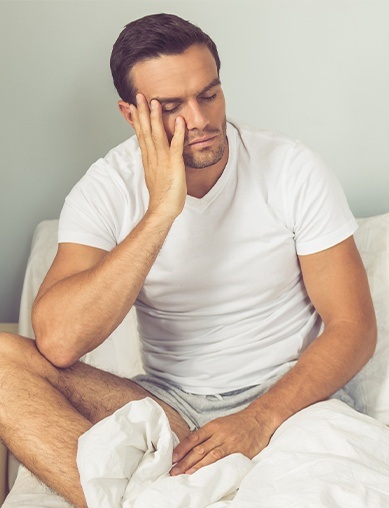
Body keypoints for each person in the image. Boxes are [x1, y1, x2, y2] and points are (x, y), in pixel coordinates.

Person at [0, 13, 377, 508]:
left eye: (209, 95)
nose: (199, 121)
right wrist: (161, 212)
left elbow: (353, 325)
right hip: (168, 402)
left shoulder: (290, 167)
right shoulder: (107, 187)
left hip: (290, 400)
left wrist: (258, 420)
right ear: (132, 115)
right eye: (172, 106)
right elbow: (59, 340)